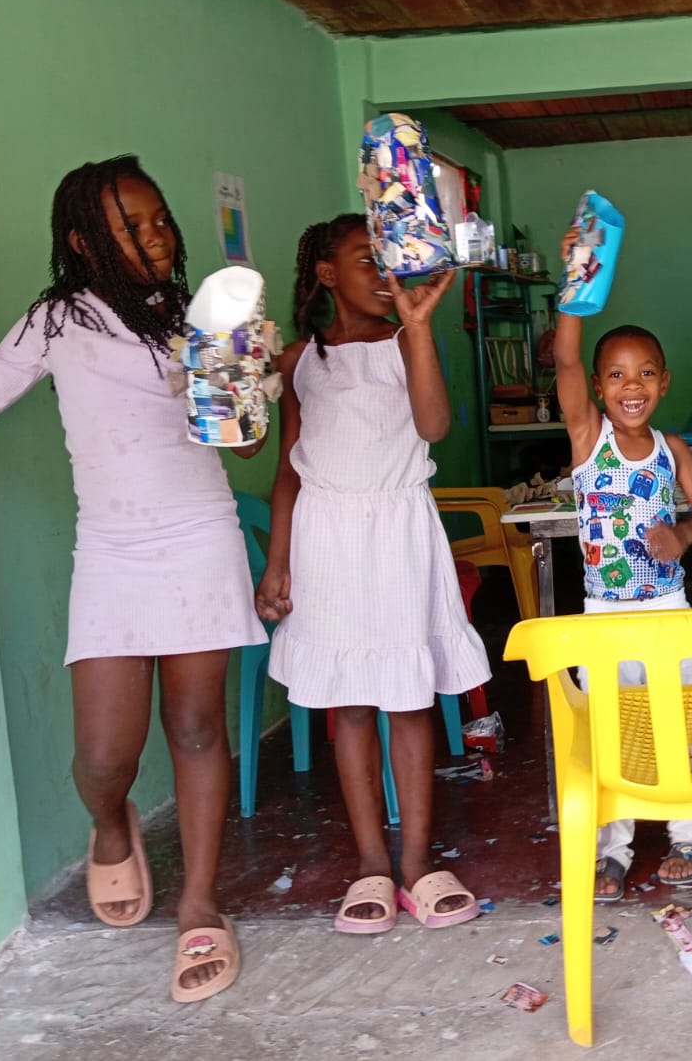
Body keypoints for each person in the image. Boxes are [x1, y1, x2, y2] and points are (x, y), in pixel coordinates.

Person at [0, 156, 261, 1001]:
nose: (157, 236)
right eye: (132, 225)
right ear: (84, 241)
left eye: (160, 218)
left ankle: (201, 904)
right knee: (102, 755)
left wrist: (229, 370)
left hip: (199, 535)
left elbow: (244, 445)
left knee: (197, 727)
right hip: (113, 551)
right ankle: (110, 822)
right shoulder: (57, 321)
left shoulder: (199, 314)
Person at [257, 214, 490, 935]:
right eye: (367, 259)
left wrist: (419, 329)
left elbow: (434, 425)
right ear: (327, 274)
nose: (385, 273)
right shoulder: (299, 360)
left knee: (406, 699)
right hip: (325, 537)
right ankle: (370, 864)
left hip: (399, 531)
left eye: (391, 259)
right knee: (350, 704)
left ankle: (417, 864)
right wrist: (278, 561)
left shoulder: (403, 342)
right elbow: (287, 469)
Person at [553, 227, 692, 901]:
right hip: (604, 617)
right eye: (618, 375)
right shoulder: (587, 438)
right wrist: (577, 278)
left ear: (665, 381)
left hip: (668, 610)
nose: (633, 386)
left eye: (646, 373)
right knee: (611, 729)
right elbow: (565, 357)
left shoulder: (672, 449)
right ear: (598, 388)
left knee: (686, 718)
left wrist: (684, 535)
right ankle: (611, 848)